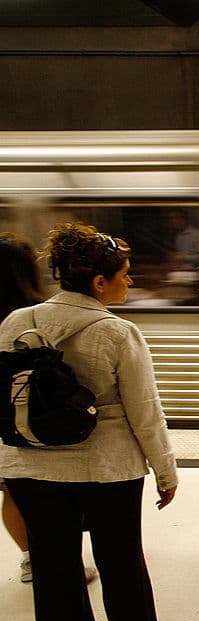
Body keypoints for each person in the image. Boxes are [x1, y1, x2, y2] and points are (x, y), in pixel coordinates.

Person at [0, 223, 178, 621]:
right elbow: (145, 412)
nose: (130, 281)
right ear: (99, 283)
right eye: (125, 273)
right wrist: (165, 470)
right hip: (106, 467)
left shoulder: (16, 324)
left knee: (52, 561)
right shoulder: (118, 333)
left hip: (30, 466)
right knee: (120, 557)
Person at [0, 233, 101, 586]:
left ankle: (33, 559)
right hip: (36, 415)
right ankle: (58, 559)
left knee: (11, 490)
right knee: (48, 491)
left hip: (4, 421)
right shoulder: (31, 315)